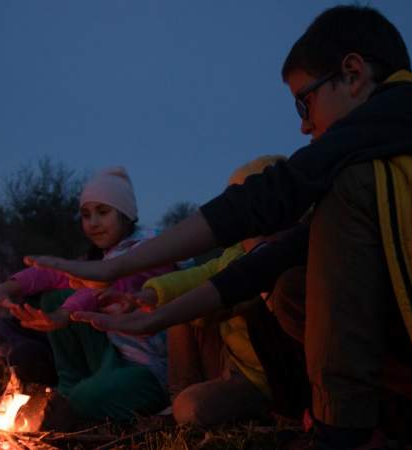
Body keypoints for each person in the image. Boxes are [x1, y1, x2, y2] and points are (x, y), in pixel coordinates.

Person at [25, 5, 412, 450]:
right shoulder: (400, 171)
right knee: (296, 276)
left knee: (332, 197)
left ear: (353, 74)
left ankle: (343, 434)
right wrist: (155, 315)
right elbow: (269, 257)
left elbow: (279, 194)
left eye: (306, 102)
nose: (303, 125)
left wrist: (114, 267)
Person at [104, 154, 309, 426]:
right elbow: (204, 274)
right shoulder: (238, 249)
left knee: (192, 409)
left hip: (264, 378)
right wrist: (149, 295)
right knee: (179, 306)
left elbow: (224, 297)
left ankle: (239, 412)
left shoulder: (286, 256)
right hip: (229, 360)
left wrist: (175, 310)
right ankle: (175, 399)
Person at [0, 166, 174, 426]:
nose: (93, 223)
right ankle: (69, 386)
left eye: (102, 212)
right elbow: (54, 275)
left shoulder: (149, 252)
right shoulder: (105, 255)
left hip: (149, 369)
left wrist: (64, 314)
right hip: (114, 355)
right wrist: (5, 289)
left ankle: (80, 401)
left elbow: (101, 290)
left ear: (126, 215)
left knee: (83, 401)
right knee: (54, 295)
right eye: (86, 215)